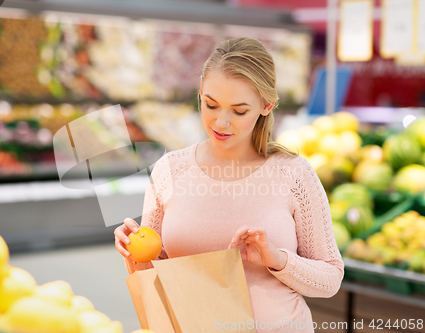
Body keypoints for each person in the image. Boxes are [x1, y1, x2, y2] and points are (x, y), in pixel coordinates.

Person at [114, 37, 344, 333]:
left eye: (238, 111)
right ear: (200, 93)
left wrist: (277, 259)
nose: (221, 123)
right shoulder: (170, 170)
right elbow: (155, 271)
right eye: (211, 105)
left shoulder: (293, 175)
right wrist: (135, 254)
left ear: (266, 105)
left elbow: (330, 278)